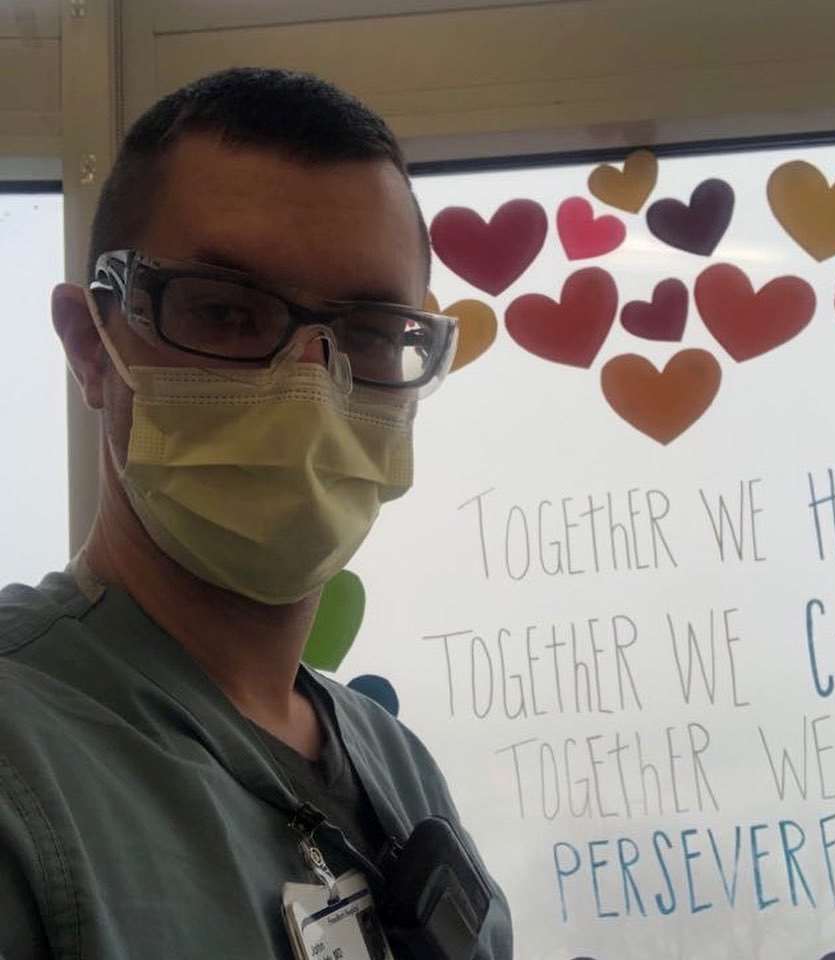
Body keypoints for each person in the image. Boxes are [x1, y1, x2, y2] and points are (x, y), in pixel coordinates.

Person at [0, 67, 512, 960]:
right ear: (92, 348)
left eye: (369, 332)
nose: (309, 391)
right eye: (225, 313)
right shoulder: (23, 765)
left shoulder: (396, 767)